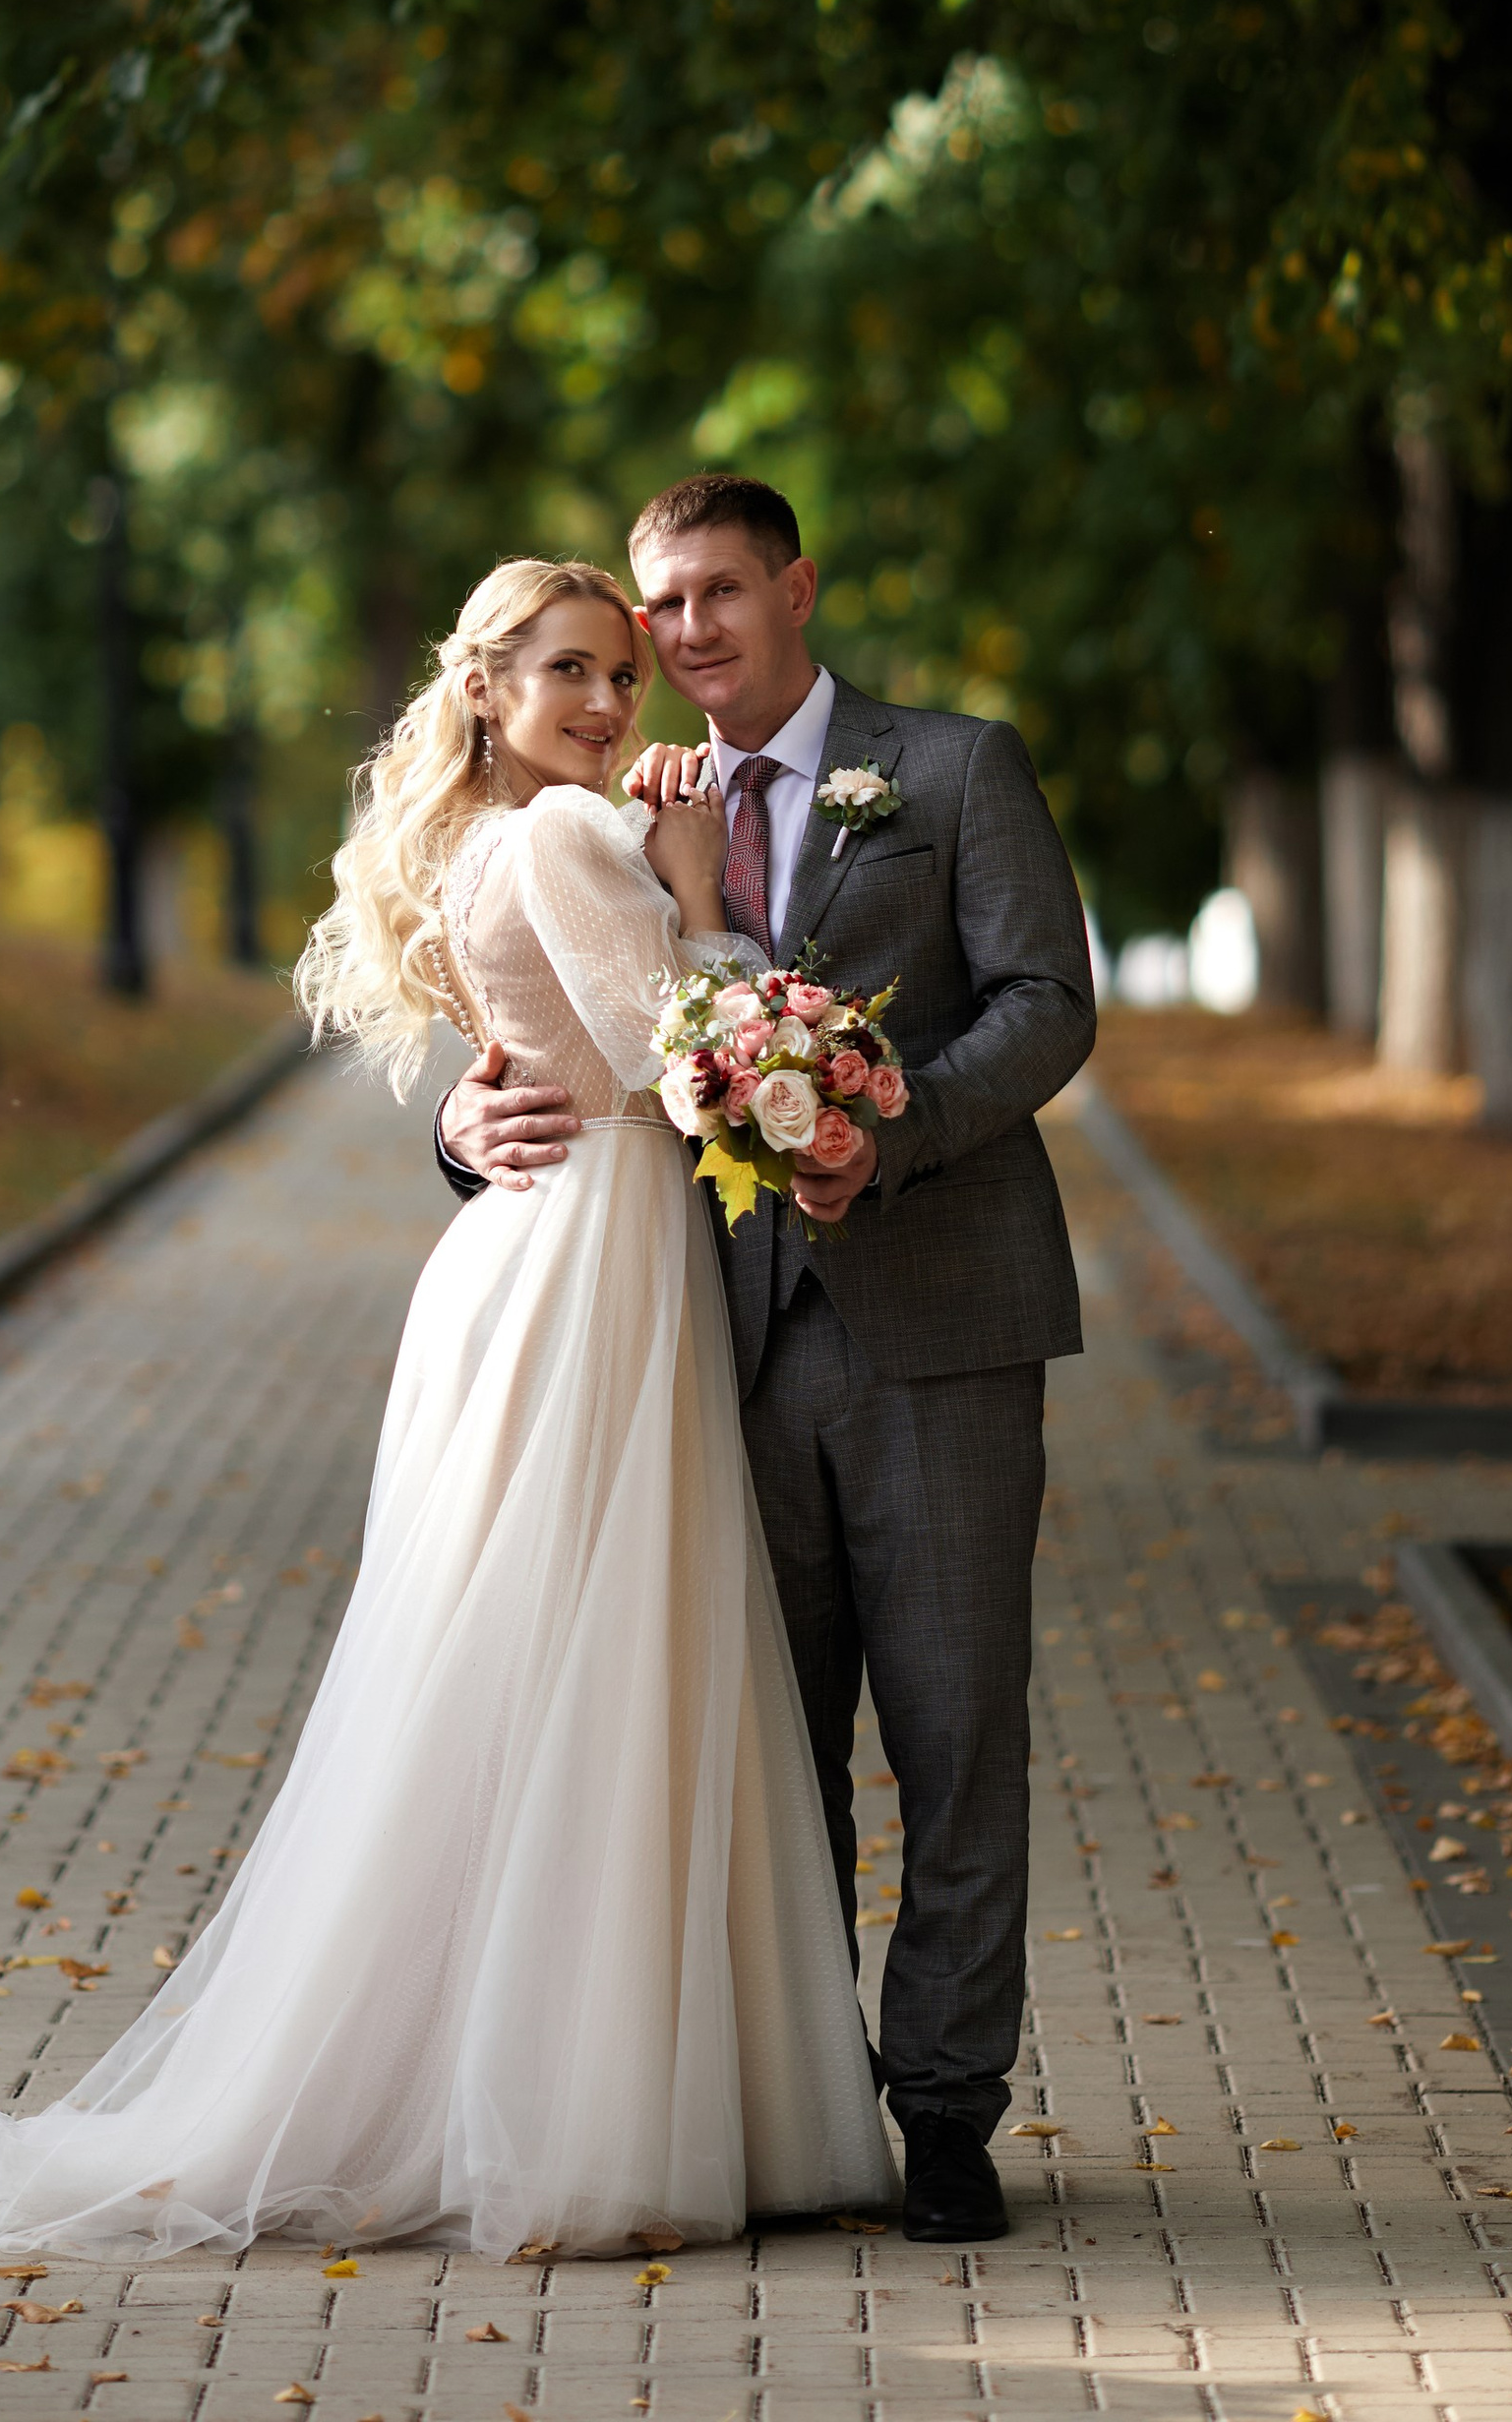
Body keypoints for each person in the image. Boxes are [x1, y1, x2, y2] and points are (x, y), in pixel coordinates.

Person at [0, 555, 896, 2265]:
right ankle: (588, 2117)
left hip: (549, 1254)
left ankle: (533, 2078)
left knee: (534, 1663)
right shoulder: (567, 836)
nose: (609, 705)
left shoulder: (490, 839)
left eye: (620, 675)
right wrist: (699, 885)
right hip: (591, 1266)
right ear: (486, 687)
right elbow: (682, 1058)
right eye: (571, 673)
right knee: (597, 1662)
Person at [438, 474, 1094, 2247]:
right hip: (706, 1342)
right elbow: (572, 1029)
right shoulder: (628, 801)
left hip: (941, 1328)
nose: (684, 632)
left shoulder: (950, 768)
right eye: (660, 607)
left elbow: (1048, 1002)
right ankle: (791, 2112)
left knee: (956, 1736)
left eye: (718, 592)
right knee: (757, 1752)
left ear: (796, 591)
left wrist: (900, 1128)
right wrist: (461, 1129)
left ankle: (945, 2113)